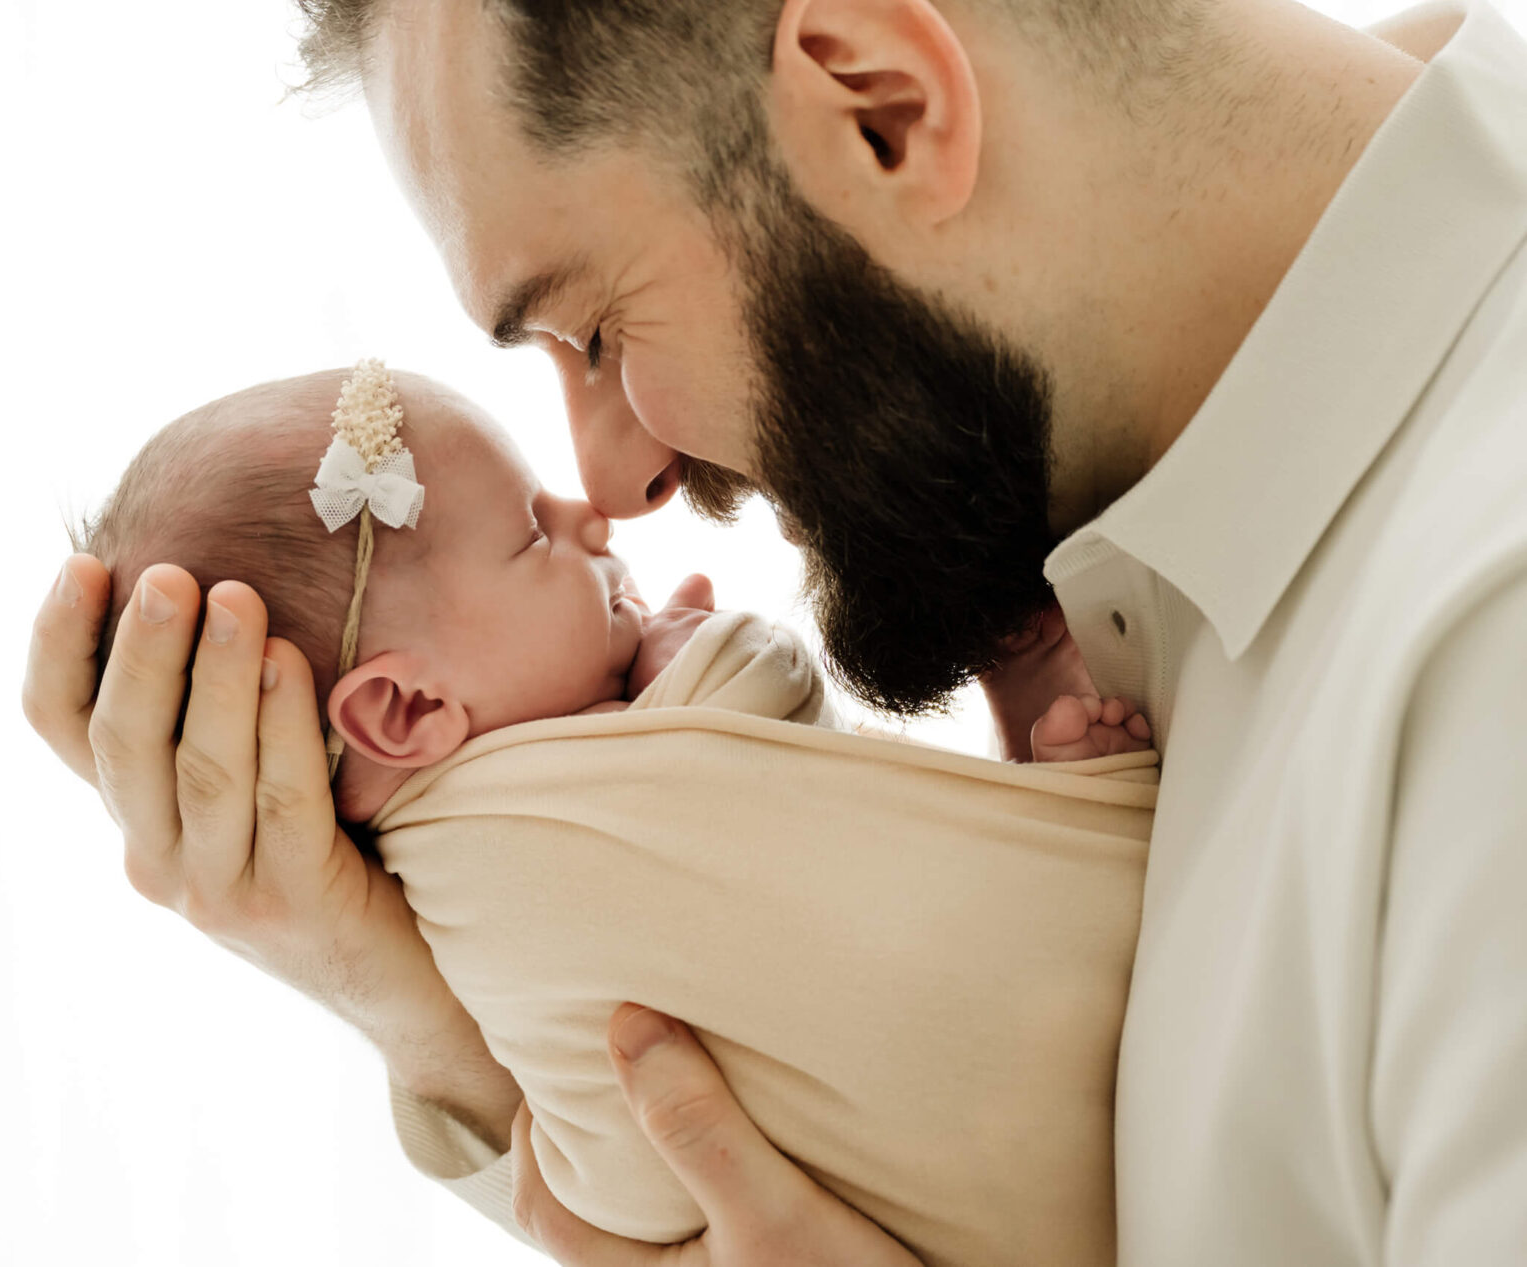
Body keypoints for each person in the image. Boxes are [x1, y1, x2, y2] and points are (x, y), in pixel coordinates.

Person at [23, 1, 1527, 1262]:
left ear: (880, 106)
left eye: (596, 331)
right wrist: (397, 984)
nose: (614, 481)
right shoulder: (1114, 503)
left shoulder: (1484, 672)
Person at [73, 360, 1155, 1263]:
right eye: (531, 535)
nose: (588, 510)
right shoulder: (516, 837)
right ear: (404, 708)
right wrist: (704, 669)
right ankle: (1064, 800)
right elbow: (768, 693)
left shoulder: (461, 894)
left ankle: (1047, 794)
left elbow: (615, 1195)